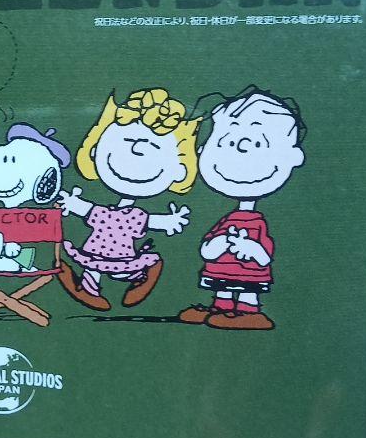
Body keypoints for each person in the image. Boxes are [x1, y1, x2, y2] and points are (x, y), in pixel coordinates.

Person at [57, 88, 200, 310]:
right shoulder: (103, 213)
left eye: (153, 146)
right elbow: (85, 209)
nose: (137, 150)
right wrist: (70, 203)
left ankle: (140, 277)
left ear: (179, 170)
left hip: (122, 255)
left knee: (122, 271)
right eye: (127, 140)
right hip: (95, 250)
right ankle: (88, 290)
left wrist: (172, 221)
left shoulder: (136, 216)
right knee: (93, 267)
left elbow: (153, 221)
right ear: (95, 150)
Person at [178, 87, 305, 330]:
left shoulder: (257, 223)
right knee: (222, 291)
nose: (242, 148)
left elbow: (264, 256)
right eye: (228, 142)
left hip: (250, 275)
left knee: (247, 293)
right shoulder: (228, 220)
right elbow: (208, 249)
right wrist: (219, 243)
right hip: (221, 271)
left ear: (292, 157)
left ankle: (249, 312)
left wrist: (249, 247)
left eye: (257, 143)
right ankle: (221, 308)